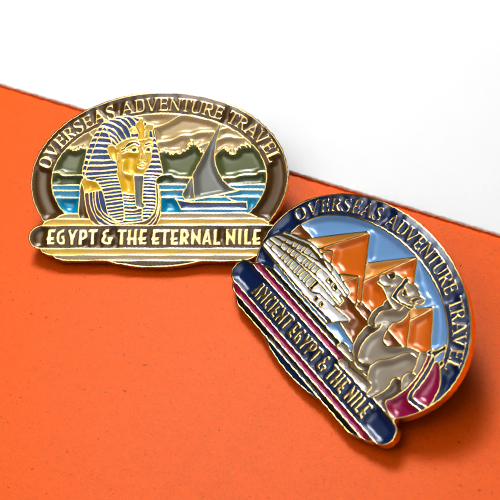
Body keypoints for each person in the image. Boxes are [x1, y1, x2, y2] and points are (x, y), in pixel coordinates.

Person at [80, 116, 162, 225]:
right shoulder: (93, 187)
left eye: (148, 149)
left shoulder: (155, 189)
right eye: (134, 149)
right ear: (114, 153)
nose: (143, 158)